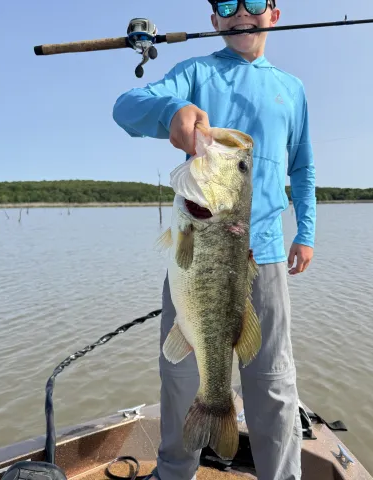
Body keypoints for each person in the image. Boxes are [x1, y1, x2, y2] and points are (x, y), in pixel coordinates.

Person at [112, 1, 316, 478]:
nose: (240, 12)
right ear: (214, 21)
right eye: (226, 4)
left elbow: (303, 167)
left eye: (254, 3)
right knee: (180, 375)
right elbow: (126, 108)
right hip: (197, 257)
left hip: (265, 253)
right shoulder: (195, 72)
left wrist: (305, 231)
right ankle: (174, 471)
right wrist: (173, 110)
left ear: (274, 14)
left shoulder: (292, 89)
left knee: (272, 381)